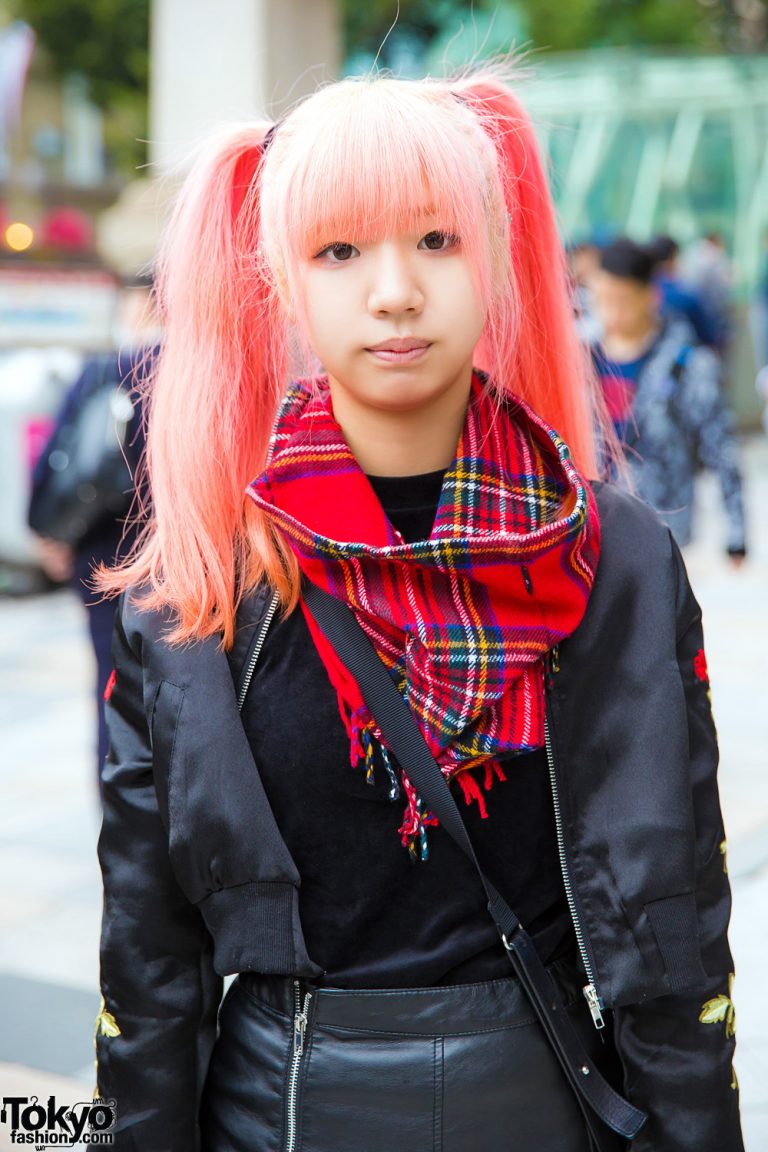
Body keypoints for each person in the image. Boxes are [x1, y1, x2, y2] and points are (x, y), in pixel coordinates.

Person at [92, 73, 744, 1152]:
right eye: (339, 251)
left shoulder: (613, 558)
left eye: (437, 240)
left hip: (543, 1101)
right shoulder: (203, 583)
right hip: (278, 1112)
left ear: (497, 256)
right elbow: (149, 962)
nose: (394, 290)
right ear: (280, 283)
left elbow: (678, 928)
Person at [29, 273, 157, 795]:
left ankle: (120, 804)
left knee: (112, 686)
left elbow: (56, 460)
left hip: (104, 556)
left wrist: (48, 533)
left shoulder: (109, 366)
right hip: (184, 557)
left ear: (139, 304)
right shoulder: (202, 371)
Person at [591, 237, 746, 563]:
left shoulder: (685, 363)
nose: (612, 311)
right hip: (592, 531)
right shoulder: (580, 360)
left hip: (662, 531)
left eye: (623, 300)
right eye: (602, 299)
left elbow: (721, 447)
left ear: (649, 296)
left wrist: (736, 532)